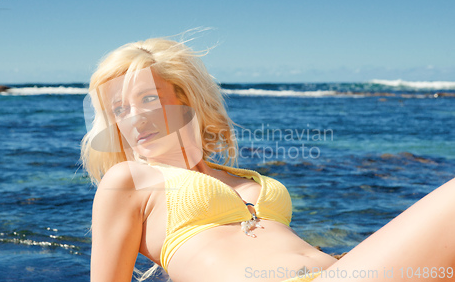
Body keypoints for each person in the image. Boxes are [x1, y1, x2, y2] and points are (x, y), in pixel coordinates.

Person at [81, 37, 455, 282]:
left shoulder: (241, 176)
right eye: (119, 108)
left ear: (187, 100)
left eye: (148, 99)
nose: (134, 117)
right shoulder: (128, 179)